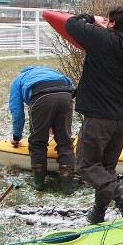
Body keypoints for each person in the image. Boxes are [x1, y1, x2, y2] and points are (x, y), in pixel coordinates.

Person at [65, 6, 123, 224]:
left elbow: (71, 24)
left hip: (99, 116)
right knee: (106, 170)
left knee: (86, 164)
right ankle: (98, 213)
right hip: (121, 118)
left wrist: (92, 19)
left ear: (112, 24)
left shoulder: (102, 39)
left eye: (108, 21)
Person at [9, 65, 76, 194]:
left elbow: (17, 113)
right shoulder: (51, 71)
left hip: (40, 96)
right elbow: (68, 83)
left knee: (38, 141)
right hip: (65, 94)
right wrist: (53, 119)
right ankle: (67, 186)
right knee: (65, 141)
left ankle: (38, 183)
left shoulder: (18, 80)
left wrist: (16, 137)